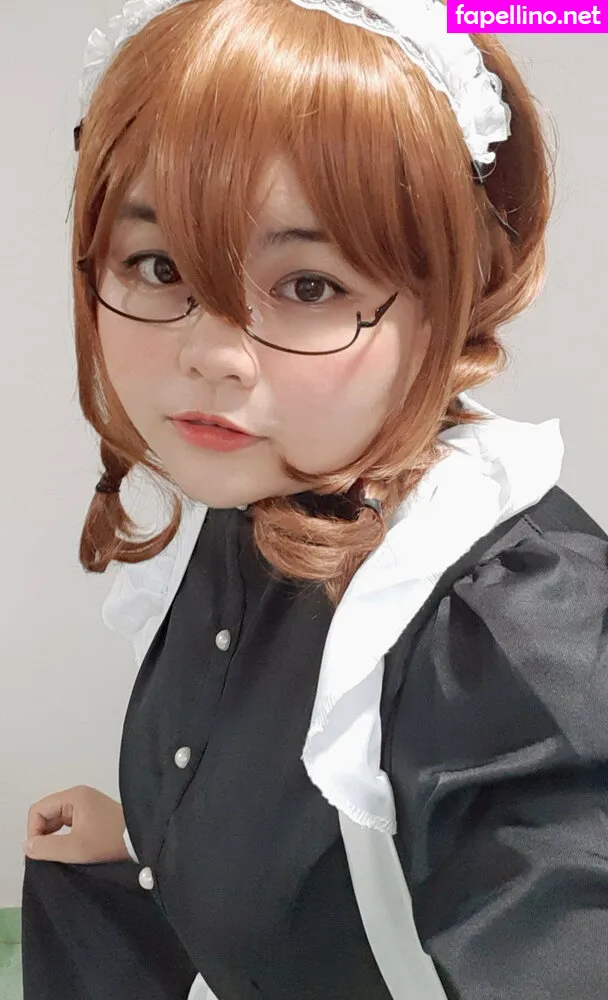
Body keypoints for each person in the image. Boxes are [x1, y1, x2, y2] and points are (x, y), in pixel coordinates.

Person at [21, 0, 608, 998]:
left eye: (309, 286)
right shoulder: (263, 484)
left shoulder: (509, 625)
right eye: (159, 266)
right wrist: (144, 842)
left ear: (444, 299)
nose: (211, 354)